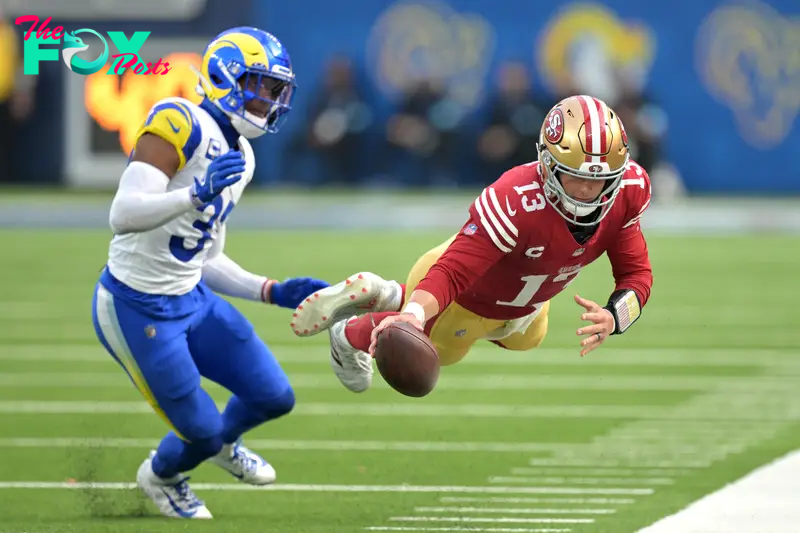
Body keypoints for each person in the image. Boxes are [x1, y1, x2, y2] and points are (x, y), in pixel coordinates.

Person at [90, 27, 328, 519]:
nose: (269, 100)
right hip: (136, 304)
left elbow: (202, 254)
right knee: (201, 429)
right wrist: (193, 194)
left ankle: (220, 444)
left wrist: (271, 290)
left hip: (191, 296)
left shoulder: (244, 157)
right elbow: (123, 214)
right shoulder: (179, 121)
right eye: (260, 85)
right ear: (224, 75)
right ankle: (162, 475)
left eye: (276, 90)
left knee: (273, 396)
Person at [292, 95, 652, 393]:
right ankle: (348, 335)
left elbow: (636, 273)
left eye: (600, 180)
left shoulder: (627, 192)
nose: (589, 191)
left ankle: (387, 294)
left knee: (528, 338)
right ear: (547, 164)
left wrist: (614, 317)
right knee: (437, 353)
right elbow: (453, 272)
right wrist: (414, 316)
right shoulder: (516, 200)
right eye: (574, 177)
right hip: (467, 293)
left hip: (524, 302)